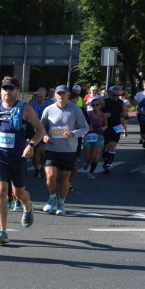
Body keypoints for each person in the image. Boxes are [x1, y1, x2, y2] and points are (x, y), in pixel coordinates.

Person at [0, 76, 45, 244]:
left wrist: (31, 145)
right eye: (4, 88)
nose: (7, 91)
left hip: (18, 157)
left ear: (17, 90)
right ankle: (2, 231)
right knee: (1, 190)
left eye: (11, 88)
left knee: (19, 193)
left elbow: (40, 130)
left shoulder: (25, 109)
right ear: (0, 90)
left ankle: (27, 206)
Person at [40, 85, 89, 216]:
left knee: (64, 178)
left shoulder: (76, 110)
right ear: (55, 96)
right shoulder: (48, 110)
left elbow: (85, 128)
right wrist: (44, 135)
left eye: (64, 94)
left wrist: (74, 133)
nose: (61, 96)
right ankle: (51, 198)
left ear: (68, 95)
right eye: (59, 94)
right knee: (50, 176)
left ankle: (61, 203)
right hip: (52, 147)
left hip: (69, 149)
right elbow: (41, 127)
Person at [99, 85, 127, 172]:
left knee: (113, 145)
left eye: (118, 95)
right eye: (114, 95)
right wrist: (104, 115)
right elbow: (97, 111)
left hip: (117, 126)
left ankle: (108, 163)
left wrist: (124, 115)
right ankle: (105, 153)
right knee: (105, 144)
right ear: (110, 94)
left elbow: (125, 112)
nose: (116, 97)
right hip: (106, 125)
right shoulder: (104, 101)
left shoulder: (121, 103)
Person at [28, 87, 53, 177]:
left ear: (45, 96)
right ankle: (36, 168)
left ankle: (42, 166)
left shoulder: (50, 104)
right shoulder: (31, 104)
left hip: (45, 130)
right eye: (38, 96)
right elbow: (26, 117)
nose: (39, 98)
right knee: (35, 152)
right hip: (34, 130)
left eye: (41, 97)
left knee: (43, 152)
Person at [82, 97, 107, 180]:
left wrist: (103, 128)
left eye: (97, 105)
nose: (95, 106)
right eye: (93, 105)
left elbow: (105, 125)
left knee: (95, 156)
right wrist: (88, 128)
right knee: (88, 158)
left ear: (100, 106)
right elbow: (83, 125)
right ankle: (86, 162)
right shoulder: (88, 114)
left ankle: (91, 173)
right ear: (91, 106)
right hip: (89, 136)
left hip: (99, 136)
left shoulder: (103, 115)